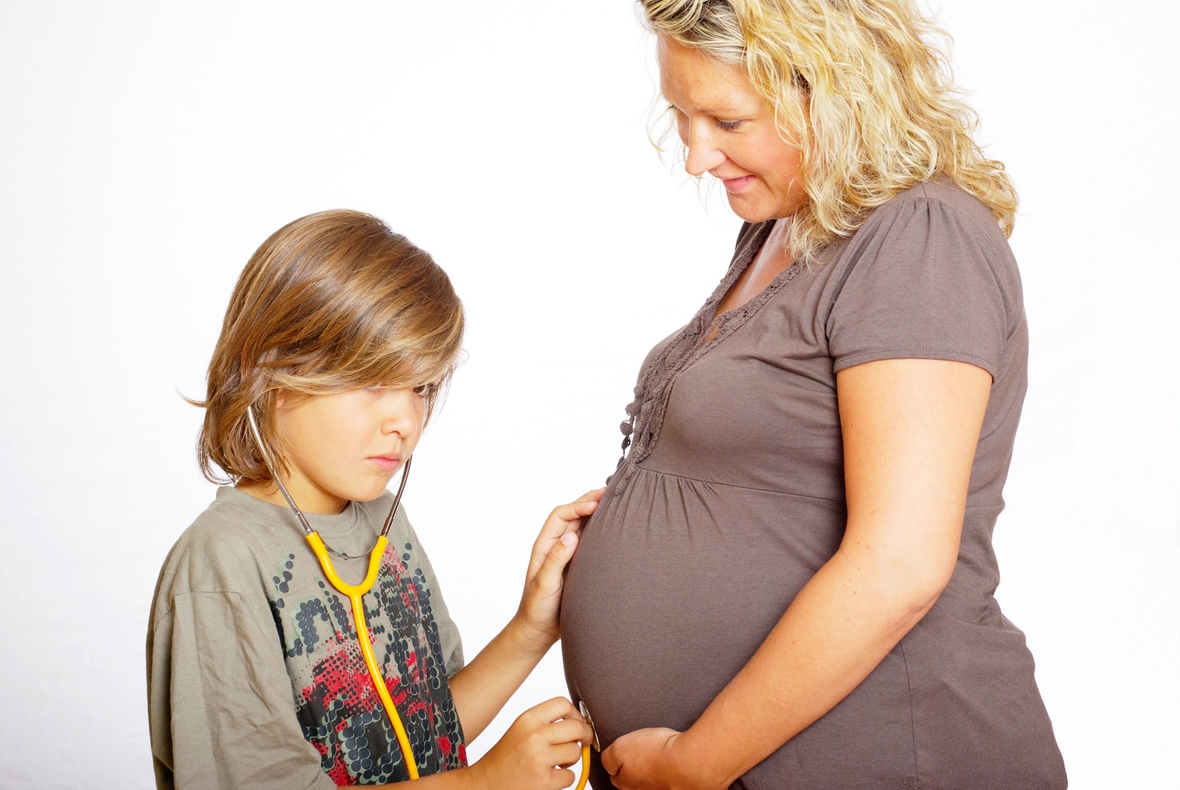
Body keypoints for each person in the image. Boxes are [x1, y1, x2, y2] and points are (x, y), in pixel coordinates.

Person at [560, 1, 1067, 788]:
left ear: (837, 90)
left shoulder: (920, 237)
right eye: (681, 116)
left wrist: (693, 764)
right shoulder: (785, 229)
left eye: (727, 121)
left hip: (885, 753)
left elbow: (900, 562)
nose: (696, 157)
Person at [147, 209, 597, 789]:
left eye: (421, 387)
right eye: (373, 381)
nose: (405, 421)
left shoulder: (384, 523)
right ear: (271, 371)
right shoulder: (222, 563)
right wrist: (483, 784)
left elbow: (427, 730)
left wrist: (533, 627)